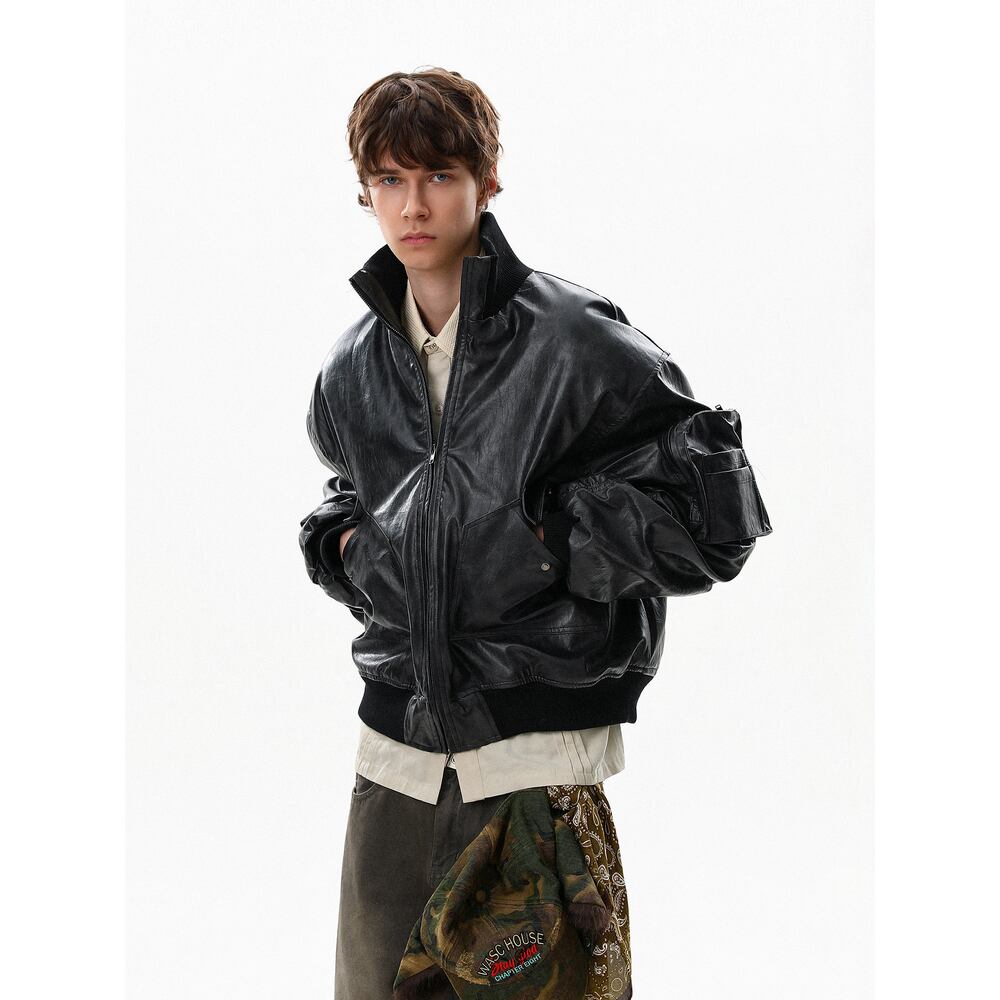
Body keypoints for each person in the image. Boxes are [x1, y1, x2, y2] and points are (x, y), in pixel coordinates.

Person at [298, 67, 772, 999]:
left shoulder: (573, 341)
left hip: (532, 764)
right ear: (365, 192)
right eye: (390, 180)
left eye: (438, 176)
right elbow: (349, 497)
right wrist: (342, 549)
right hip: (392, 760)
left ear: (487, 180)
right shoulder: (353, 365)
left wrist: (550, 533)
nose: (414, 205)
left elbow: (714, 515)